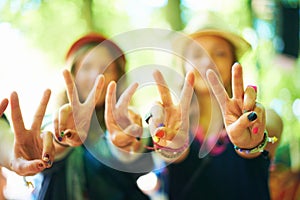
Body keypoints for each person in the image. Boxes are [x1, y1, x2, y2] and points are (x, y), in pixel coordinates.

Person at [145, 14, 284, 199]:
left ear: (234, 63)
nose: (207, 62)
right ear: (183, 65)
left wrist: (254, 140)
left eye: (219, 53)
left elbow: (271, 126)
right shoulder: (171, 124)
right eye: (196, 54)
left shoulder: (251, 117)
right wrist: (169, 145)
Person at [35, 32, 152, 200]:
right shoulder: (52, 120)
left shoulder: (127, 123)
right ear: (74, 74)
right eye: (87, 67)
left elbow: (140, 157)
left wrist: (127, 145)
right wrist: (60, 136)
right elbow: (47, 142)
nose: (97, 76)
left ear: (118, 77)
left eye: (107, 69)